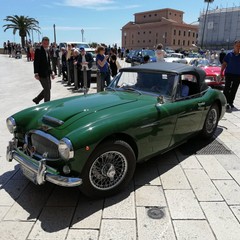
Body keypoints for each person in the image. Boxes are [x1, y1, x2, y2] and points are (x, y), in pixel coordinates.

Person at [33, 36, 55, 104]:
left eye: (47, 43)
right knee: (47, 89)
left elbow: (48, 63)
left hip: (47, 73)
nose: (46, 45)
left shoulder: (47, 50)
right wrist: (36, 73)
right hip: (41, 73)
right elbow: (36, 62)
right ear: (42, 43)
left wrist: (51, 72)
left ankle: (37, 99)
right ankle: (47, 104)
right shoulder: (38, 50)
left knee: (48, 88)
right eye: (45, 43)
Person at [221, 39, 240, 111]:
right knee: (226, 88)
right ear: (234, 46)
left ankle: (231, 102)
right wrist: (221, 73)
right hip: (229, 74)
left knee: (234, 89)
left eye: (239, 46)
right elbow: (224, 64)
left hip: (238, 75)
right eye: (237, 46)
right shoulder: (229, 54)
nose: (238, 47)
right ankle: (225, 102)